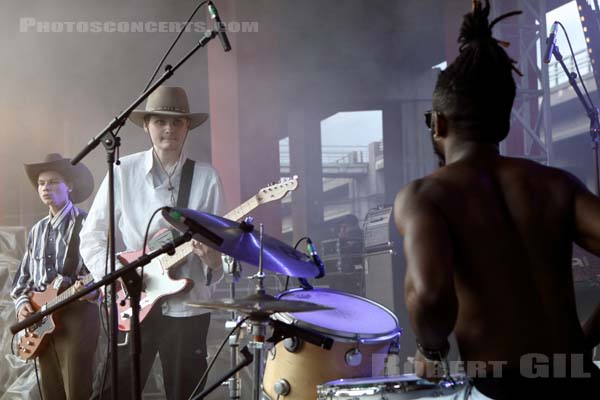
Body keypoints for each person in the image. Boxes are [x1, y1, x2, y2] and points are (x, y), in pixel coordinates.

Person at [393, 1, 600, 399]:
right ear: (505, 122)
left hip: (501, 389)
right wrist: (588, 338)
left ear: (437, 122)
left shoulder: (425, 195)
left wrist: (430, 350)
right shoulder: (558, 185)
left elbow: (429, 295)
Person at [80, 86, 225, 399]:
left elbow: (220, 257)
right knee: (113, 391)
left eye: (177, 122)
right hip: (133, 299)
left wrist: (214, 260)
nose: (169, 128)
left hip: (189, 305)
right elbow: (90, 234)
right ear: (146, 125)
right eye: (160, 121)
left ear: (187, 126)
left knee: (186, 393)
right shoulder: (122, 171)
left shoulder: (206, 178)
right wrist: (115, 277)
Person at [11, 153, 99, 400]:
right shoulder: (37, 230)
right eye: (41, 183)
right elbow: (22, 280)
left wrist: (94, 290)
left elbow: (104, 272)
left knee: (77, 391)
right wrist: (23, 306)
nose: (45, 188)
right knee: (50, 392)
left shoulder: (88, 224)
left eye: (53, 182)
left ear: (69, 186)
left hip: (76, 315)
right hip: (41, 319)